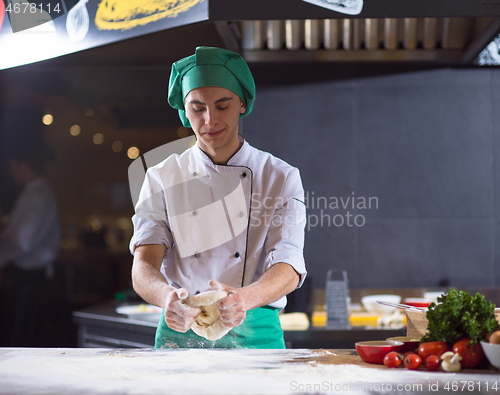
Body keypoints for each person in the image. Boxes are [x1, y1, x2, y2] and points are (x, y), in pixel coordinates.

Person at [130, 46, 307, 349]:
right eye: (197, 108)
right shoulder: (161, 177)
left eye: (222, 105)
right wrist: (166, 298)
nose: (210, 120)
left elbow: (289, 267)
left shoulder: (280, 176)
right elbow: (144, 265)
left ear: (242, 103)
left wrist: (244, 298)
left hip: (255, 331)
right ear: (184, 112)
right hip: (180, 329)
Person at [0, 150, 60, 346]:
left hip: (29, 277)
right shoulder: (32, 192)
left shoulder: (38, 195)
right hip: (27, 276)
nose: (10, 171)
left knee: (21, 339)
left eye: (12, 166)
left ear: (22, 165)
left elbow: (22, 242)